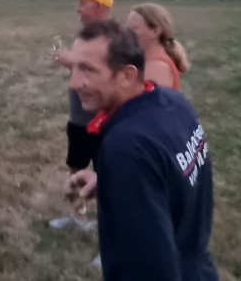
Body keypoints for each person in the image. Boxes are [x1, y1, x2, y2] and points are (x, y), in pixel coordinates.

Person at [64, 20, 218, 281]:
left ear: (127, 75)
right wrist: (115, 183)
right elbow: (171, 177)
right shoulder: (171, 102)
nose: (74, 83)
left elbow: (149, 270)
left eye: (87, 70)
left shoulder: (125, 148)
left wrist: (126, 175)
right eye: (74, 68)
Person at [47, 0, 113, 231]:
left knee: (108, 176)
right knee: (76, 171)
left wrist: (71, 61)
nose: (78, 9)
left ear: (98, 6)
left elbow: (106, 75)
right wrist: (69, 62)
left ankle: (111, 226)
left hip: (103, 122)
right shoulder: (84, 36)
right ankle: (79, 217)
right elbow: (79, 72)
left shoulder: (112, 38)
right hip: (78, 120)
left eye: (83, 3)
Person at [127, 3, 189, 90]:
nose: (127, 33)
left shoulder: (158, 68)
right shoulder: (146, 62)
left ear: (155, 31)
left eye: (134, 28)